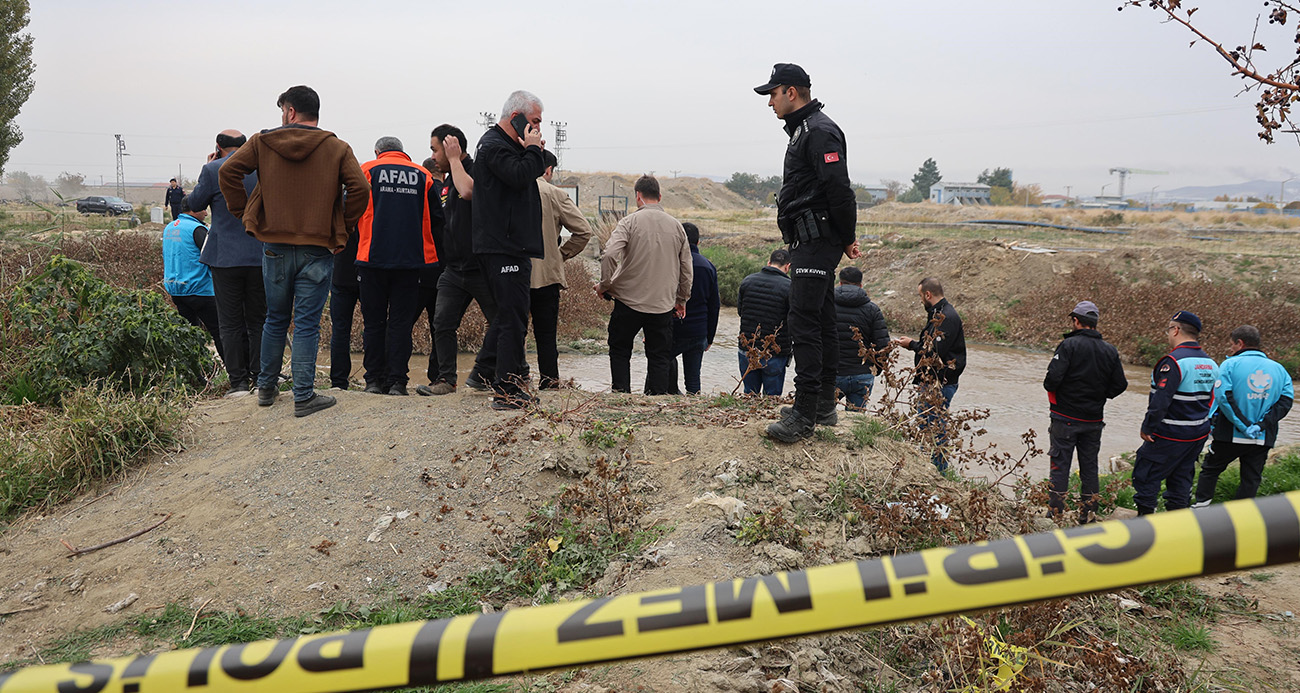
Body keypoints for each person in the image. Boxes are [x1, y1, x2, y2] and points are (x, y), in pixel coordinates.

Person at [219, 85, 370, 417]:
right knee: (306, 323)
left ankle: (266, 389)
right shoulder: (337, 147)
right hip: (317, 248)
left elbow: (228, 171)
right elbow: (360, 188)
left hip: (274, 247)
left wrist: (243, 213)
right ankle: (303, 396)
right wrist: (342, 225)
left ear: (289, 112)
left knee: (275, 318)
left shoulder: (261, 142)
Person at [755, 63, 861, 443]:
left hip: (817, 241)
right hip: (809, 239)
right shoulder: (803, 130)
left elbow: (840, 190)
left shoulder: (819, 131)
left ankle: (804, 414)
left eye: (772, 94)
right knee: (821, 316)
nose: (769, 102)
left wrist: (846, 236)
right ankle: (821, 405)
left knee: (803, 321)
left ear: (791, 92)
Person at [473, 91, 548, 410]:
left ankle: (485, 375)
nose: (537, 130)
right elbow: (520, 175)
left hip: (511, 244)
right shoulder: (492, 146)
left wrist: (532, 150)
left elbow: (544, 164)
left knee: (509, 315)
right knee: (513, 318)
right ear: (515, 116)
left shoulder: (508, 146)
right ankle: (505, 391)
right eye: (533, 122)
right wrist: (531, 151)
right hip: (503, 246)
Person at [352, 136, 442, 396]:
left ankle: (373, 382)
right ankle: (398, 383)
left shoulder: (366, 170)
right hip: (411, 261)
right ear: (403, 152)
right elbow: (438, 219)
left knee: (374, 323)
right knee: (401, 324)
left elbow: (350, 209)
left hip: (371, 259)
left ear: (377, 151)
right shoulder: (423, 175)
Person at [594, 175, 693, 395]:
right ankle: (655, 399)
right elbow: (687, 269)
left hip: (628, 301)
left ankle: (621, 394)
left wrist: (605, 285)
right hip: (662, 305)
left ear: (638, 196)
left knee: (620, 350)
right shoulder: (677, 227)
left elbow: (609, 254)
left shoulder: (628, 222)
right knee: (659, 355)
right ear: (659, 197)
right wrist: (681, 300)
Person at [421, 124, 498, 397]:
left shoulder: (476, 171)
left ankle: (500, 375)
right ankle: (446, 380)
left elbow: (470, 193)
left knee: (501, 321)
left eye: (434, 149)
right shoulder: (445, 179)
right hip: (453, 269)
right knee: (442, 322)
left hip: (481, 267)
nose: (432, 155)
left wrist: (455, 160)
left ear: (450, 145)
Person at [190, 129, 264, 398]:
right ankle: (261, 378)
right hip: (259, 254)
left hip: (225, 259)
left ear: (218, 147)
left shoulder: (213, 170)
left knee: (230, 322)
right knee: (259, 320)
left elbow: (194, 203)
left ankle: (239, 383)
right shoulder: (261, 169)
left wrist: (208, 165)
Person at [1042, 300, 1128, 523]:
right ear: (1095, 324)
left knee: (1060, 465)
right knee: (1089, 466)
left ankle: (1055, 514)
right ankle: (1088, 513)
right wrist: (1100, 395)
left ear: (1076, 321)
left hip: (1065, 417)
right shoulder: (1110, 351)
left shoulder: (1068, 346)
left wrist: (1066, 395)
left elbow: (1052, 380)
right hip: (1093, 419)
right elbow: (1120, 385)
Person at [1193, 325, 1294, 506]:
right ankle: (1243, 517)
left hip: (1229, 435)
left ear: (1240, 343)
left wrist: (1244, 425)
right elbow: (1285, 402)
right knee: (1251, 478)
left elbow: (1224, 397)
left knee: (1210, 469)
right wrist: (1261, 426)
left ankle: (1201, 509)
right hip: (1262, 438)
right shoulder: (1279, 369)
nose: (1230, 349)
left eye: (1231, 345)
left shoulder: (1230, 364)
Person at [1133, 311, 1219, 515]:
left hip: (1170, 433)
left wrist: (1147, 428)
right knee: (1181, 478)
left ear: (1176, 329)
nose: (1168, 334)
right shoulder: (1211, 363)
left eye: (1169, 330)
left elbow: (1161, 400)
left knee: (1146, 475)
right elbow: (1212, 400)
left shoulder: (1173, 362)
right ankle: (1177, 525)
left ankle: (1145, 524)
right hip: (1197, 433)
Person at [531, 149, 592, 390]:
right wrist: (560, 255)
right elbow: (584, 232)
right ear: (548, 170)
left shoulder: (510, 190)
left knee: (508, 332)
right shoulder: (555, 194)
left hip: (513, 275)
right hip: (547, 277)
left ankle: (508, 381)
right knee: (546, 336)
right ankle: (549, 382)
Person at [894, 277, 966, 471]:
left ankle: (937, 470)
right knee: (928, 426)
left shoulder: (946, 317)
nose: (920, 301)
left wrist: (911, 345)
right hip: (933, 381)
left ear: (928, 294)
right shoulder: (938, 313)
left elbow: (934, 352)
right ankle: (930, 467)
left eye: (920, 296)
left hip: (939, 383)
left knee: (935, 428)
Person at [161, 196, 224, 363]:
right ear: (194, 209)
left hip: (177, 290)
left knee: (190, 334)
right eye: (203, 208)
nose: (206, 212)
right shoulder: (197, 229)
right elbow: (212, 258)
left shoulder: (169, 228)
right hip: (200, 290)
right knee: (220, 332)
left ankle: (196, 374)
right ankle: (236, 376)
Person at [663, 222, 719, 395]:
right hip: (698, 330)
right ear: (698, 242)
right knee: (693, 380)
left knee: (660, 366)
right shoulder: (708, 266)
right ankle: (694, 406)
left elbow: (660, 298)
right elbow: (714, 305)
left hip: (673, 329)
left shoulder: (670, 264)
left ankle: (657, 399)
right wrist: (709, 336)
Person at [736, 249, 793, 396]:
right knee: (772, 398)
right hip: (775, 351)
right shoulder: (790, 287)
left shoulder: (747, 281)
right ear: (788, 267)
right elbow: (793, 320)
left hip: (748, 347)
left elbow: (740, 311)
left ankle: (749, 418)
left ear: (768, 263)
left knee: (750, 395)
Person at [832, 266, 889, 410]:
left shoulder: (827, 306)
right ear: (861, 285)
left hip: (832, 373)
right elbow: (884, 346)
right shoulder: (872, 310)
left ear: (840, 283)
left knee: (822, 416)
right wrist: (875, 369)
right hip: (862, 375)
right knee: (855, 422)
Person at [414, 159, 446, 392]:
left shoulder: (420, 193)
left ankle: (392, 377)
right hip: (445, 270)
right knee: (441, 327)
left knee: (401, 324)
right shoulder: (448, 194)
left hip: (418, 268)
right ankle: (438, 377)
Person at [329, 228, 361, 390]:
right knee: (375, 326)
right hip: (368, 266)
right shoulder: (371, 202)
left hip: (341, 269)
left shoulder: (338, 204)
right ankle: (377, 379)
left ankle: (338, 382)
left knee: (340, 330)